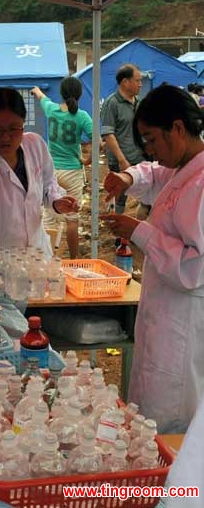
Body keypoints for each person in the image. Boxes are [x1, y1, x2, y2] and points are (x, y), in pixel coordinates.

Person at [102, 84, 204, 434]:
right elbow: (154, 173)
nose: (149, 149)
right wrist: (126, 177)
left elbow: (193, 268)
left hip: (184, 320)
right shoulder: (182, 168)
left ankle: (176, 489)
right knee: (150, 413)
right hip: (165, 313)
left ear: (177, 128)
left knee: (170, 420)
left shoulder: (201, 184)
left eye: (151, 139)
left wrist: (139, 231)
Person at [0, 87, 79, 270]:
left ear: (23, 124)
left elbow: (48, 184)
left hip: (37, 259)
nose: (6, 137)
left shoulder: (35, 145)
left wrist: (57, 201)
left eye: (13, 128)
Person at [32, 78, 92, 259]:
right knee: (72, 219)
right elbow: (98, 142)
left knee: (49, 218)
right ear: (80, 94)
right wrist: (86, 161)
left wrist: (36, 90)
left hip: (52, 172)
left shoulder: (51, 110)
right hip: (73, 171)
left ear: (62, 93)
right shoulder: (82, 116)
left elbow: (41, 96)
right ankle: (74, 261)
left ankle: (47, 261)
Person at [101, 63, 145, 215]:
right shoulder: (112, 103)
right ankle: (115, 231)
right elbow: (108, 134)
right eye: (138, 80)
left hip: (139, 156)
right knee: (118, 197)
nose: (141, 84)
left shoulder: (138, 102)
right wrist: (122, 160)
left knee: (147, 195)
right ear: (125, 82)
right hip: (121, 160)